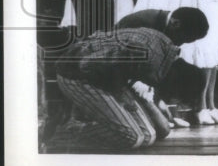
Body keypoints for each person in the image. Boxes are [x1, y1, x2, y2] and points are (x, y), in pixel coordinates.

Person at [53, 8, 208, 151]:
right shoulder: (151, 52)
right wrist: (121, 96)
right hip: (77, 74)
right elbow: (88, 65)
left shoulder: (165, 54)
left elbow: (126, 71)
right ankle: (65, 134)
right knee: (132, 137)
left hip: (106, 75)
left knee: (148, 135)